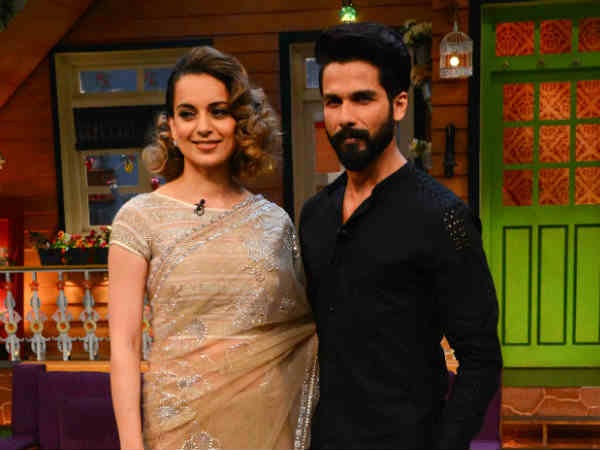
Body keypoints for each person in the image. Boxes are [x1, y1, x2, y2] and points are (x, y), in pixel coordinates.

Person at [299, 23, 502, 450]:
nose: (345, 117)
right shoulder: (315, 216)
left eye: (362, 99)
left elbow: (481, 358)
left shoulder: (442, 217)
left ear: (399, 104)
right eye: (333, 101)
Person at [108, 46, 318, 450]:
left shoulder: (274, 223)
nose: (203, 127)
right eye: (188, 114)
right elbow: (125, 346)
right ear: (171, 127)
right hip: (176, 428)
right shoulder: (139, 219)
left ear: (242, 123)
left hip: (266, 425)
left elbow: (301, 332)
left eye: (218, 111)